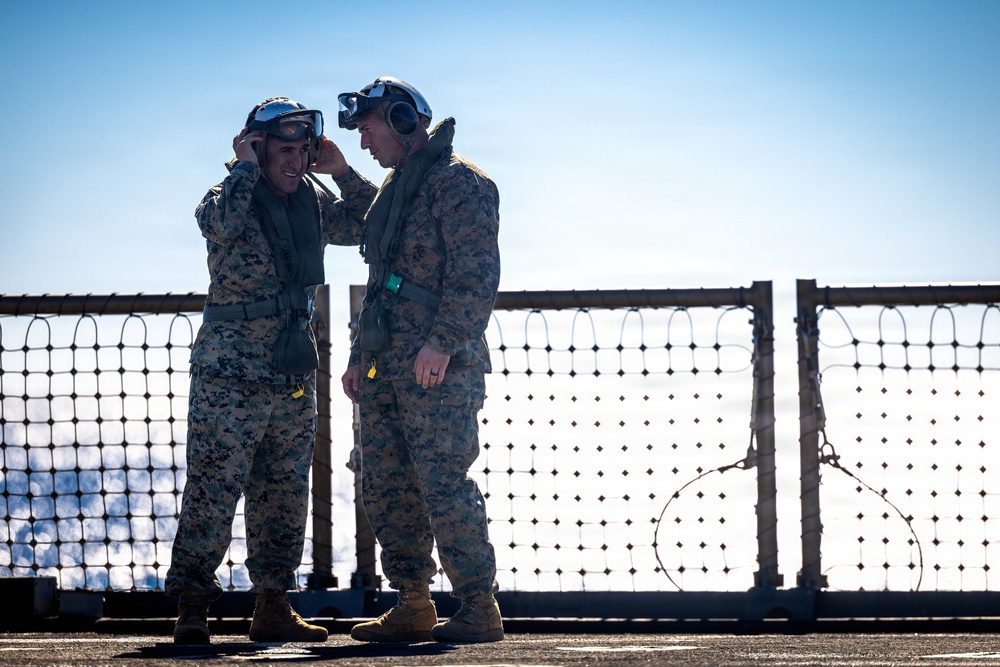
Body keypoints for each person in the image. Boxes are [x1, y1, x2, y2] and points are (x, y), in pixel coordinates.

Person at [165, 97, 376, 644]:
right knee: (214, 488)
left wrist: (342, 171)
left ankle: (273, 603)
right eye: (284, 149)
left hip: (290, 370)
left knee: (284, 490)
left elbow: (371, 228)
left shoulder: (310, 197)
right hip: (230, 372)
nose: (295, 160)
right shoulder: (228, 196)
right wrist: (242, 166)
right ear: (257, 148)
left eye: (303, 149)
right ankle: (192, 606)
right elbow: (221, 225)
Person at [336, 76, 504, 643]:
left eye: (368, 128)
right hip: (386, 363)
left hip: (438, 364)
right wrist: (362, 356)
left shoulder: (461, 185)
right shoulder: (396, 190)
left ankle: (479, 605)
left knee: (442, 482)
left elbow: (475, 275)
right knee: (385, 482)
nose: (363, 142)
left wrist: (443, 341)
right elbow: (380, 281)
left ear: (404, 121)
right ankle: (413, 601)